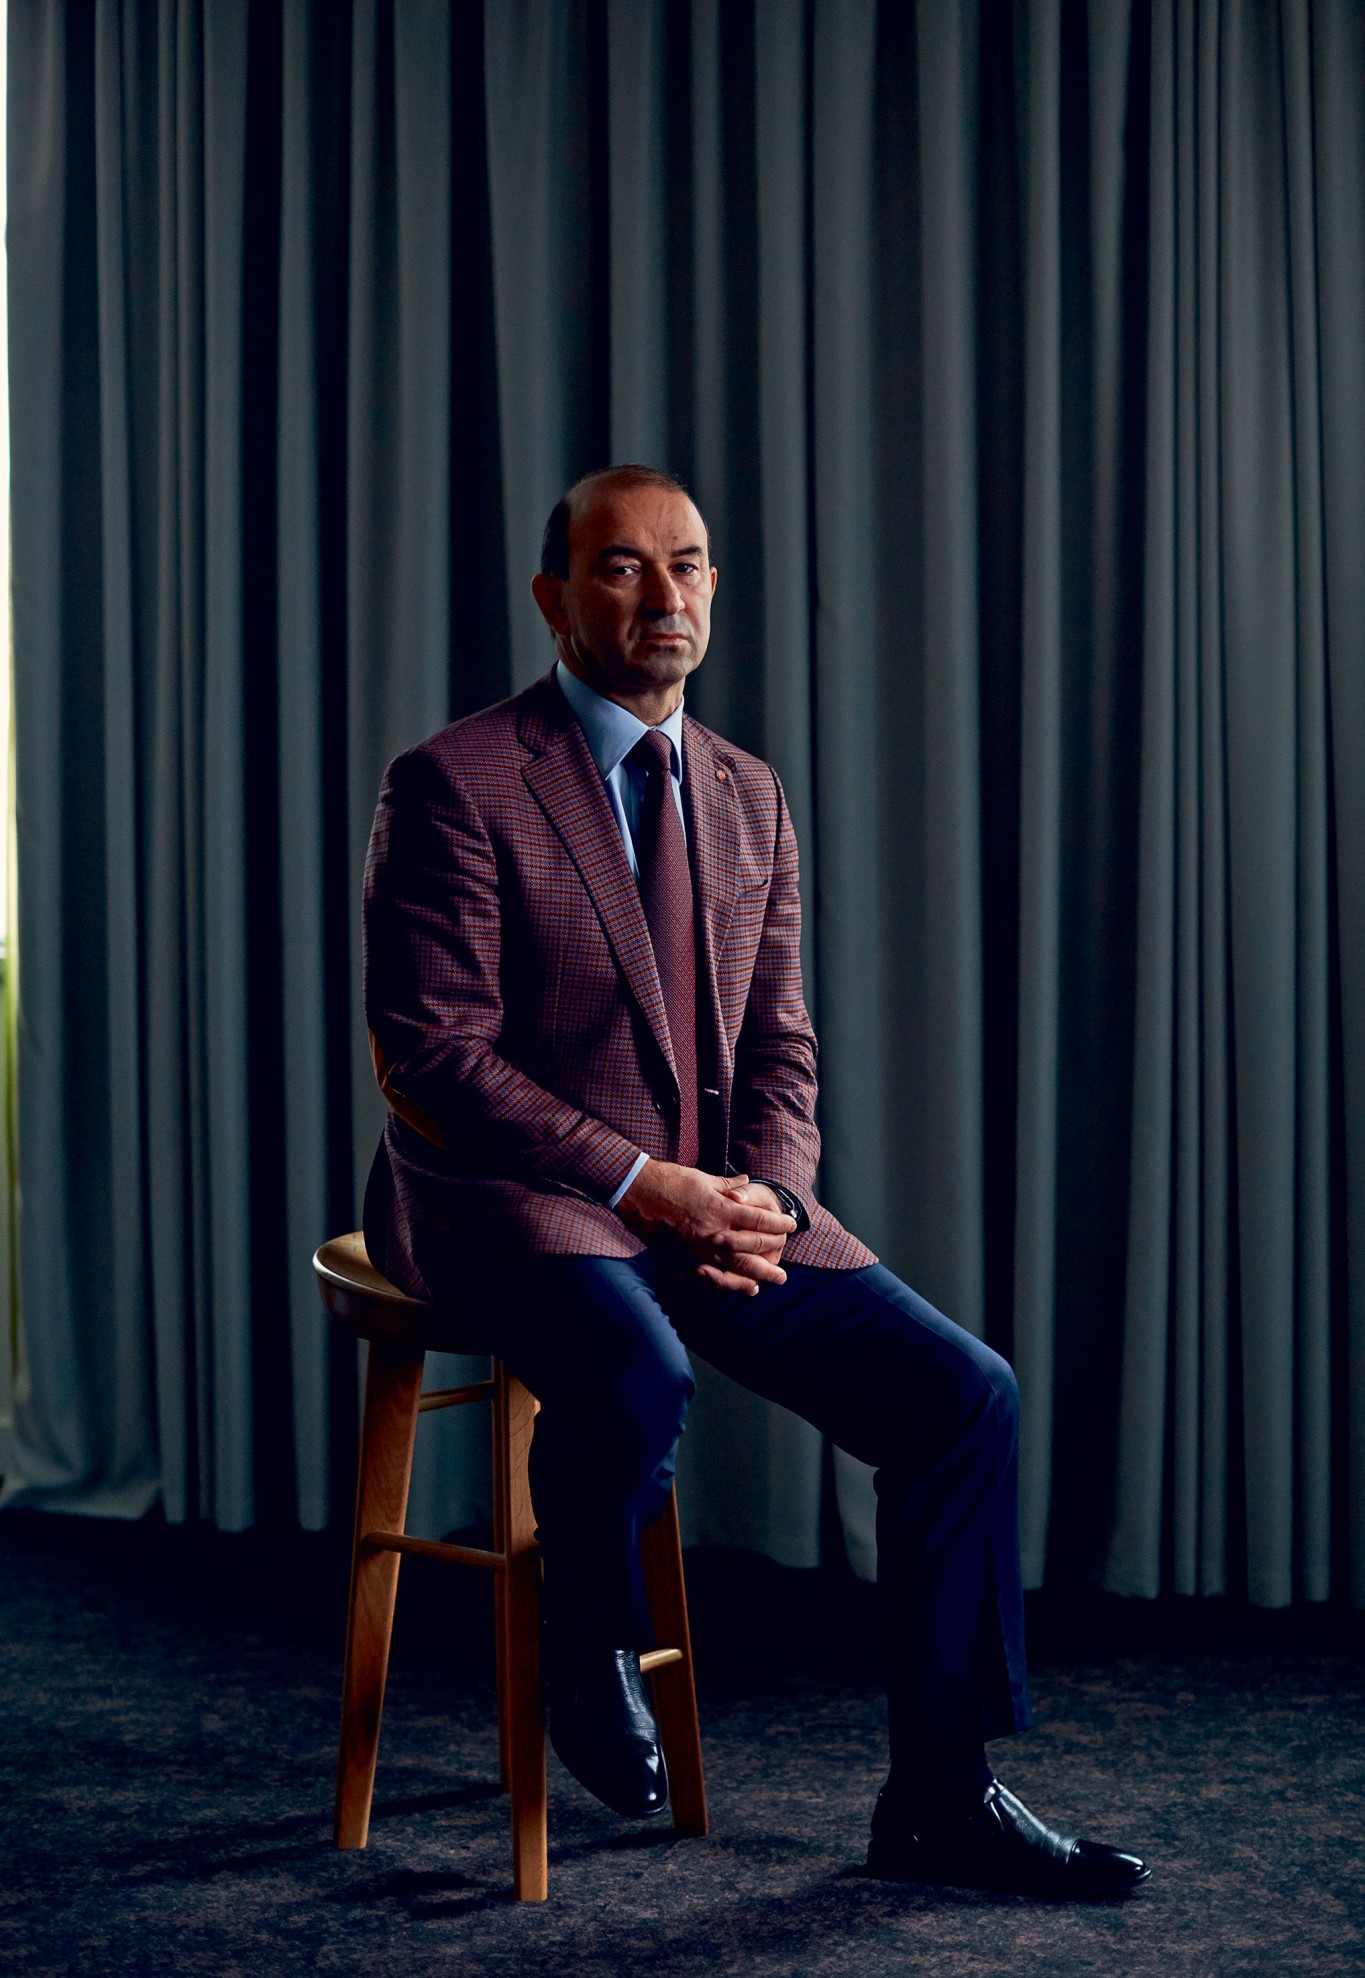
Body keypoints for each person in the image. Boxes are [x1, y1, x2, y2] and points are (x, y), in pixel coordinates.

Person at [361, 464, 1149, 1898]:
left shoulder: (745, 793)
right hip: (506, 1190)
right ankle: (589, 1641)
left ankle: (941, 1795)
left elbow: (780, 1041)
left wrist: (769, 1199)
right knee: (636, 1374)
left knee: (963, 1397)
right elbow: (435, 1055)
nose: (662, 595)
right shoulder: (456, 782)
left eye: (688, 565)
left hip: (708, 1200)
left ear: (714, 589)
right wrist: (641, 1183)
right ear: (553, 597)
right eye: (621, 567)